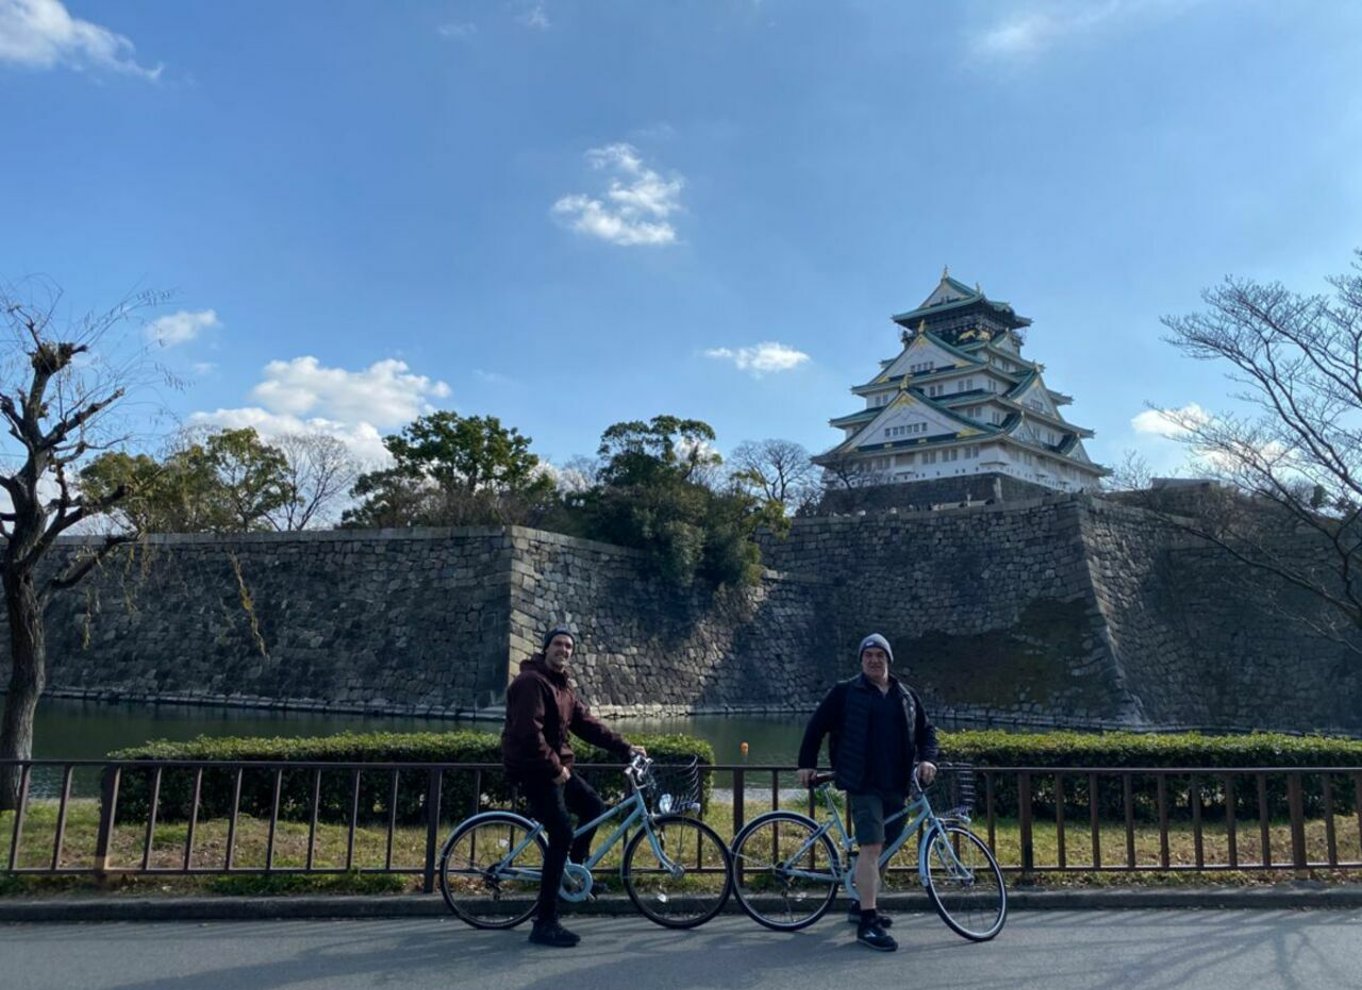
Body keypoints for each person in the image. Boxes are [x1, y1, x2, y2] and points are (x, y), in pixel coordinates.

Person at [502, 626, 646, 948]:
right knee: (562, 834)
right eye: (558, 644)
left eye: (569, 646)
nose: (564, 650)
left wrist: (625, 748)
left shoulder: (562, 686)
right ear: (546, 648)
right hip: (535, 770)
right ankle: (545, 923)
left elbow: (586, 724)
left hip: (557, 769)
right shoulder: (531, 683)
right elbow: (528, 733)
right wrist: (554, 769)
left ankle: (575, 874)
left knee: (593, 806)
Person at [796, 633, 939, 952]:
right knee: (872, 845)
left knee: (886, 847)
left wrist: (928, 758)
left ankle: (862, 902)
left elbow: (927, 731)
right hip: (862, 783)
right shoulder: (845, 692)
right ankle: (868, 923)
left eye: (880, 655)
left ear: (889, 659)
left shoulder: (905, 695)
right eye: (868, 655)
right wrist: (806, 763)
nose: (874, 660)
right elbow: (816, 726)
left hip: (896, 784)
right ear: (861, 660)